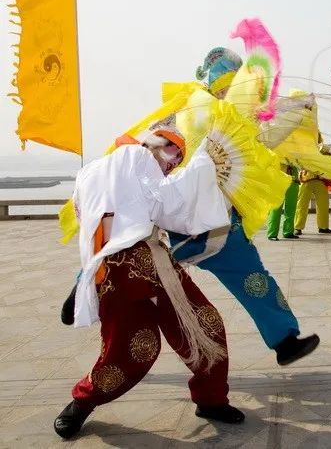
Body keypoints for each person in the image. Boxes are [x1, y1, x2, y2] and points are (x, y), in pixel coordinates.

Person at [61, 47, 319, 368]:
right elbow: (142, 153)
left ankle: (284, 340)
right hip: (171, 214)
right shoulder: (185, 111)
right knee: (120, 248)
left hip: (215, 223)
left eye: (234, 84)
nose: (229, 90)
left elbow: (263, 137)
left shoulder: (237, 117)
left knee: (252, 275)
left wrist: (295, 108)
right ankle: (82, 287)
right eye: (225, 82)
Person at [54, 124, 244, 439]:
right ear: (154, 143)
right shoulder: (133, 156)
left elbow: (164, 209)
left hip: (156, 261)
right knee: (132, 348)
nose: (175, 162)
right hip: (119, 270)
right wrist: (202, 163)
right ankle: (81, 402)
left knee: (206, 326)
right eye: (173, 152)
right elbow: (166, 202)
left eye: (181, 157)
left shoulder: (118, 170)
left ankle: (211, 399)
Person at [294, 140, 331, 235]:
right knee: (302, 204)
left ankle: (323, 227)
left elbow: (330, 162)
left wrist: (325, 155)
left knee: (323, 205)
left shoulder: (324, 150)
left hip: (320, 180)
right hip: (306, 179)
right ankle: (298, 227)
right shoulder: (304, 149)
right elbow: (299, 162)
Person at [267, 162, 301, 240]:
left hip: (293, 182)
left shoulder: (295, 152)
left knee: (291, 208)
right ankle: (272, 234)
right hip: (278, 181)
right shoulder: (274, 152)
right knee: (275, 208)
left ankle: (288, 232)